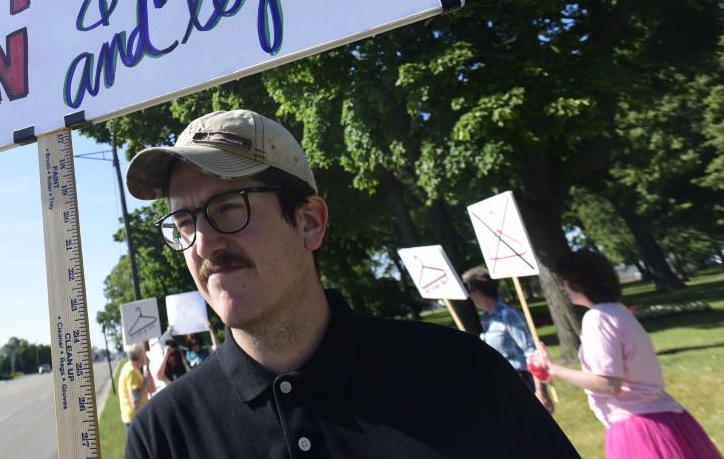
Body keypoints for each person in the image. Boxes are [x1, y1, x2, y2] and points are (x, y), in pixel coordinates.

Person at [123, 109, 577, 458]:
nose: (203, 244)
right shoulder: (163, 436)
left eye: (227, 207)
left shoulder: (463, 374)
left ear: (309, 223)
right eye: (184, 222)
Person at [529, 250, 721, 459]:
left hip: (640, 427)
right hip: (669, 420)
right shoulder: (618, 311)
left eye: (564, 280)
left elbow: (609, 384)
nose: (562, 286)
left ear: (577, 281)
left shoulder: (598, 318)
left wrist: (554, 369)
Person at [462, 265, 553, 410]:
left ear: (477, 291)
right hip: (503, 381)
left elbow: (531, 351)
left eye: (468, 291)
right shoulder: (486, 318)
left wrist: (540, 390)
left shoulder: (507, 314)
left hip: (523, 381)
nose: (468, 297)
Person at [117, 342, 154, 429]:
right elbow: (135, 403)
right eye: (144, 353)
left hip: (135, 418)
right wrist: (145, 382)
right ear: (140, 356)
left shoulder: (131, 368)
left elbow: (152, 389)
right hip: (134, 420)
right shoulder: (131, 372)